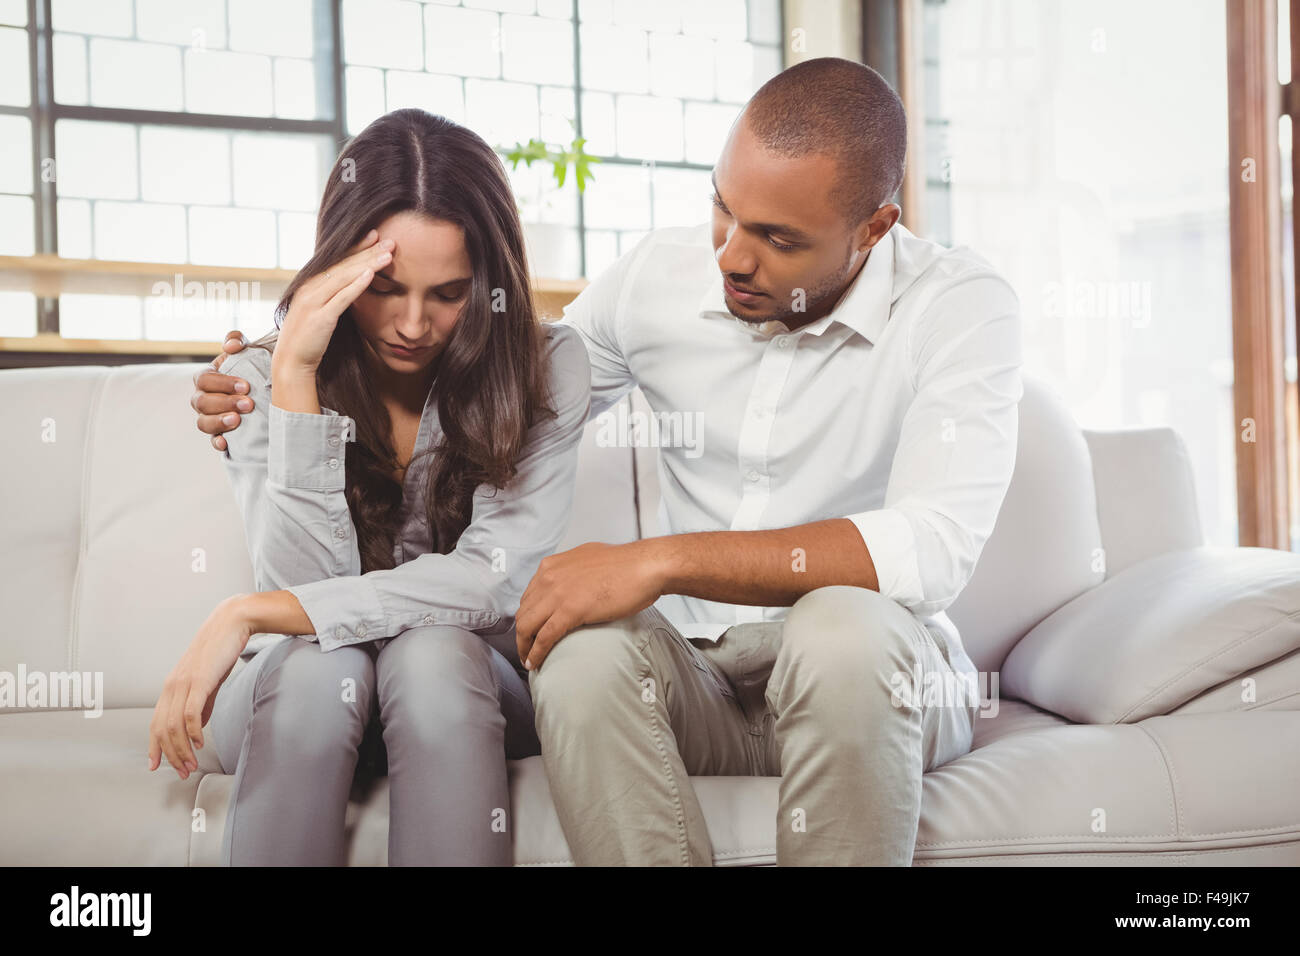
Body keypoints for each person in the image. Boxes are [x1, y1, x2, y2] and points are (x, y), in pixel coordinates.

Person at [197, 58, 1021, 867]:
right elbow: (496, 394)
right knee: (579, 646)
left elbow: (933, 546)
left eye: (777, 239)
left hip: (871, 675)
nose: (733, 256)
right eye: (722, 209)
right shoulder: (652, 283)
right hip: (699, 677)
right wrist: (281, 375)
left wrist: (659, 562)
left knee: (844, 626)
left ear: (875, 229)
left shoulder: (959, 307)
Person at [150, 107, 591, 867]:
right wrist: (293, 379)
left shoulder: (547, 367)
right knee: (323, 669)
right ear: (335, 267)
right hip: (303, 699)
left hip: (462, 692)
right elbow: (308, 612)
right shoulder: (256, 379)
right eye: (384, 288)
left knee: (432, 656)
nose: (413, 324)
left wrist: (247, 610)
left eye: (450, 294)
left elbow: (494, 582)